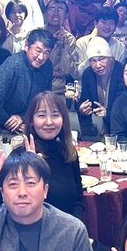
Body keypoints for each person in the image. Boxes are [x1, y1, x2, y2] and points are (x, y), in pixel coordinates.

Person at [22, 91, 84, 219]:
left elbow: (78, 200)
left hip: (69, 226)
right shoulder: (22, 155)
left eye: (55, 115)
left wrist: (76, 226)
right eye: (41, 115)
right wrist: (31, 167)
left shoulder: (68, 152)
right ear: (31, 120)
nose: (49, 122)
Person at [0, 28, 55, 133]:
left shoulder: (47, 65)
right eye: (38, 51)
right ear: (26, 46)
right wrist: (9, 122)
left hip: (27, 122)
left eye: (46, 53)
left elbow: (44, 99)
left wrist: (23, 118)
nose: (41, 57)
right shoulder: (12, 65)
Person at [77, 37, 126, 139]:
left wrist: (108, 113)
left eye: (102, 59)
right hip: (98, 127)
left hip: (123, 126)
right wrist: (82, 109)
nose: (98, 65)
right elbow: (84, 100)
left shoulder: (122, 71)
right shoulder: (88, 73)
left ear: (111, 58)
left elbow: (126, 106)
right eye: (93, 61)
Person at [43, 0, 80, 95]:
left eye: (60, 9)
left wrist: (64, 46)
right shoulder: (36, 35)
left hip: (58, 89)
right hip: (36, 86)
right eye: (52, 8)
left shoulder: (69, 39)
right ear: (46, 13)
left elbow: (68, 70)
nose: (56, 12)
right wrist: (53, 42)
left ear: (66, 15)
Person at [76, 7, 127, 74]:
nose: (107, 27)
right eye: (103, 22)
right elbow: (76, 74)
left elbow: (121, 73)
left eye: (111, 23)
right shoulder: (81, 43)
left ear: (116, 26)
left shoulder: (120, 48)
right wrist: (91, 58)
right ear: (95, 23)